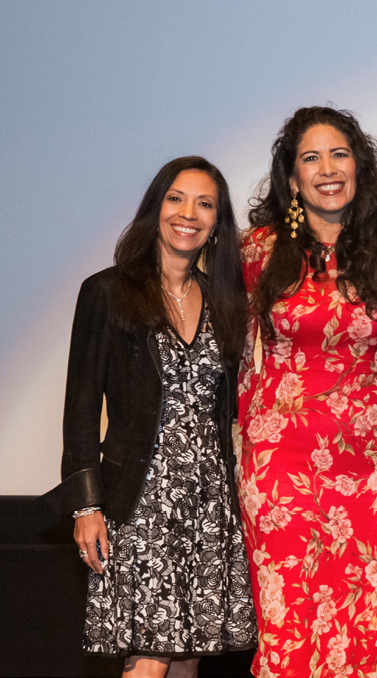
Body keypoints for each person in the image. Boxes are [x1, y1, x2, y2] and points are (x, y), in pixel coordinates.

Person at [48, 156, 255, 676]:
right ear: (155, 209)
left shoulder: (225, 301)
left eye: (205, 204)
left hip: (209, 505)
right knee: (149, 659)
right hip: (139, 504)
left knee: (187, 658)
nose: (190, 213)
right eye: (177, 198)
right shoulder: (107, 291)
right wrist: (85, 506)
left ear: (217, 225)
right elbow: (79, 412)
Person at [239, 106, 377, 678]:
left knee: (371, 621)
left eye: (339, 154)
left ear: (359, 167)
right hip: (281, 471)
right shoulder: (255, 253)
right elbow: (232, 358)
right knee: (289, 626)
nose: (327, 169)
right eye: (310, 158)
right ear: (292, 179)